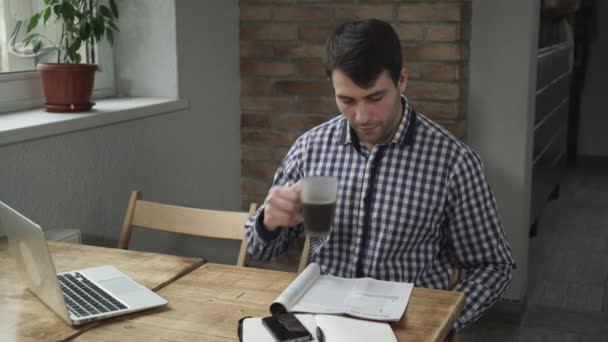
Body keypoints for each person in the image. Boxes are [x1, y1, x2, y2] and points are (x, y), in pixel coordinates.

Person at [244, 18, 515, 332]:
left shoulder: (453, 163)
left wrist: (442, 323)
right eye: (346, 100)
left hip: (402, 328)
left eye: (375, 98)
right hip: (318, 325)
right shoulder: (310, 149)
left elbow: (494, 266)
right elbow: (260, 249)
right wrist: (269, 223)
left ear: (402, 80)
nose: (362, 117)